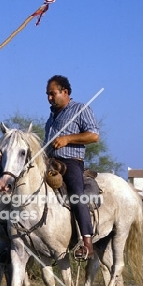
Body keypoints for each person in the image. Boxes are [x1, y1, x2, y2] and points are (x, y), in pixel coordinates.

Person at [43, 75, 100, 259]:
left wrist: (68, 139)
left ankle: (87, 244)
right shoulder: (51, 116)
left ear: (65, 92)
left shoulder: (80, 109)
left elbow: (93, 135)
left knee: (77, 195)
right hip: (49, 162)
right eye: (48, 95)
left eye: (52, 94)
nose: (49, 98)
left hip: (70, 162)